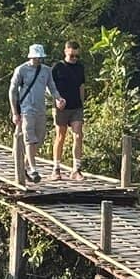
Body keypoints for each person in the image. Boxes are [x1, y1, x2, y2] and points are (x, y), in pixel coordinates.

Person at [9, 44, 65, 183]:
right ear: (30, 56)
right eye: (35, 57)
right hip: (26, 109)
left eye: (40, 58)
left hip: (40, 109)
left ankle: (25, 165)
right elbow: (13, 91)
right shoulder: (21, 70)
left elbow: (52, 87)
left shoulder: (46, 71)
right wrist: (15, 112)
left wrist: (58, 98)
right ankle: (33, 169)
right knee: (30, 139)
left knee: (39, 138)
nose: (38, 60)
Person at [51, 40, 86, 181]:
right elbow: (50, 86)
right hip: (61, 107)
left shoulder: (80, 67)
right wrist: (57, 100)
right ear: (66, 52)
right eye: (72, 56)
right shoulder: (57, 67)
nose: (74, 59)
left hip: (76, 106)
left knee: (78, 135)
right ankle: (56, 168)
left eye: (77, 56)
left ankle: (76, 169)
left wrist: (82, 103)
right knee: (61, 136)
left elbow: (81, 86)